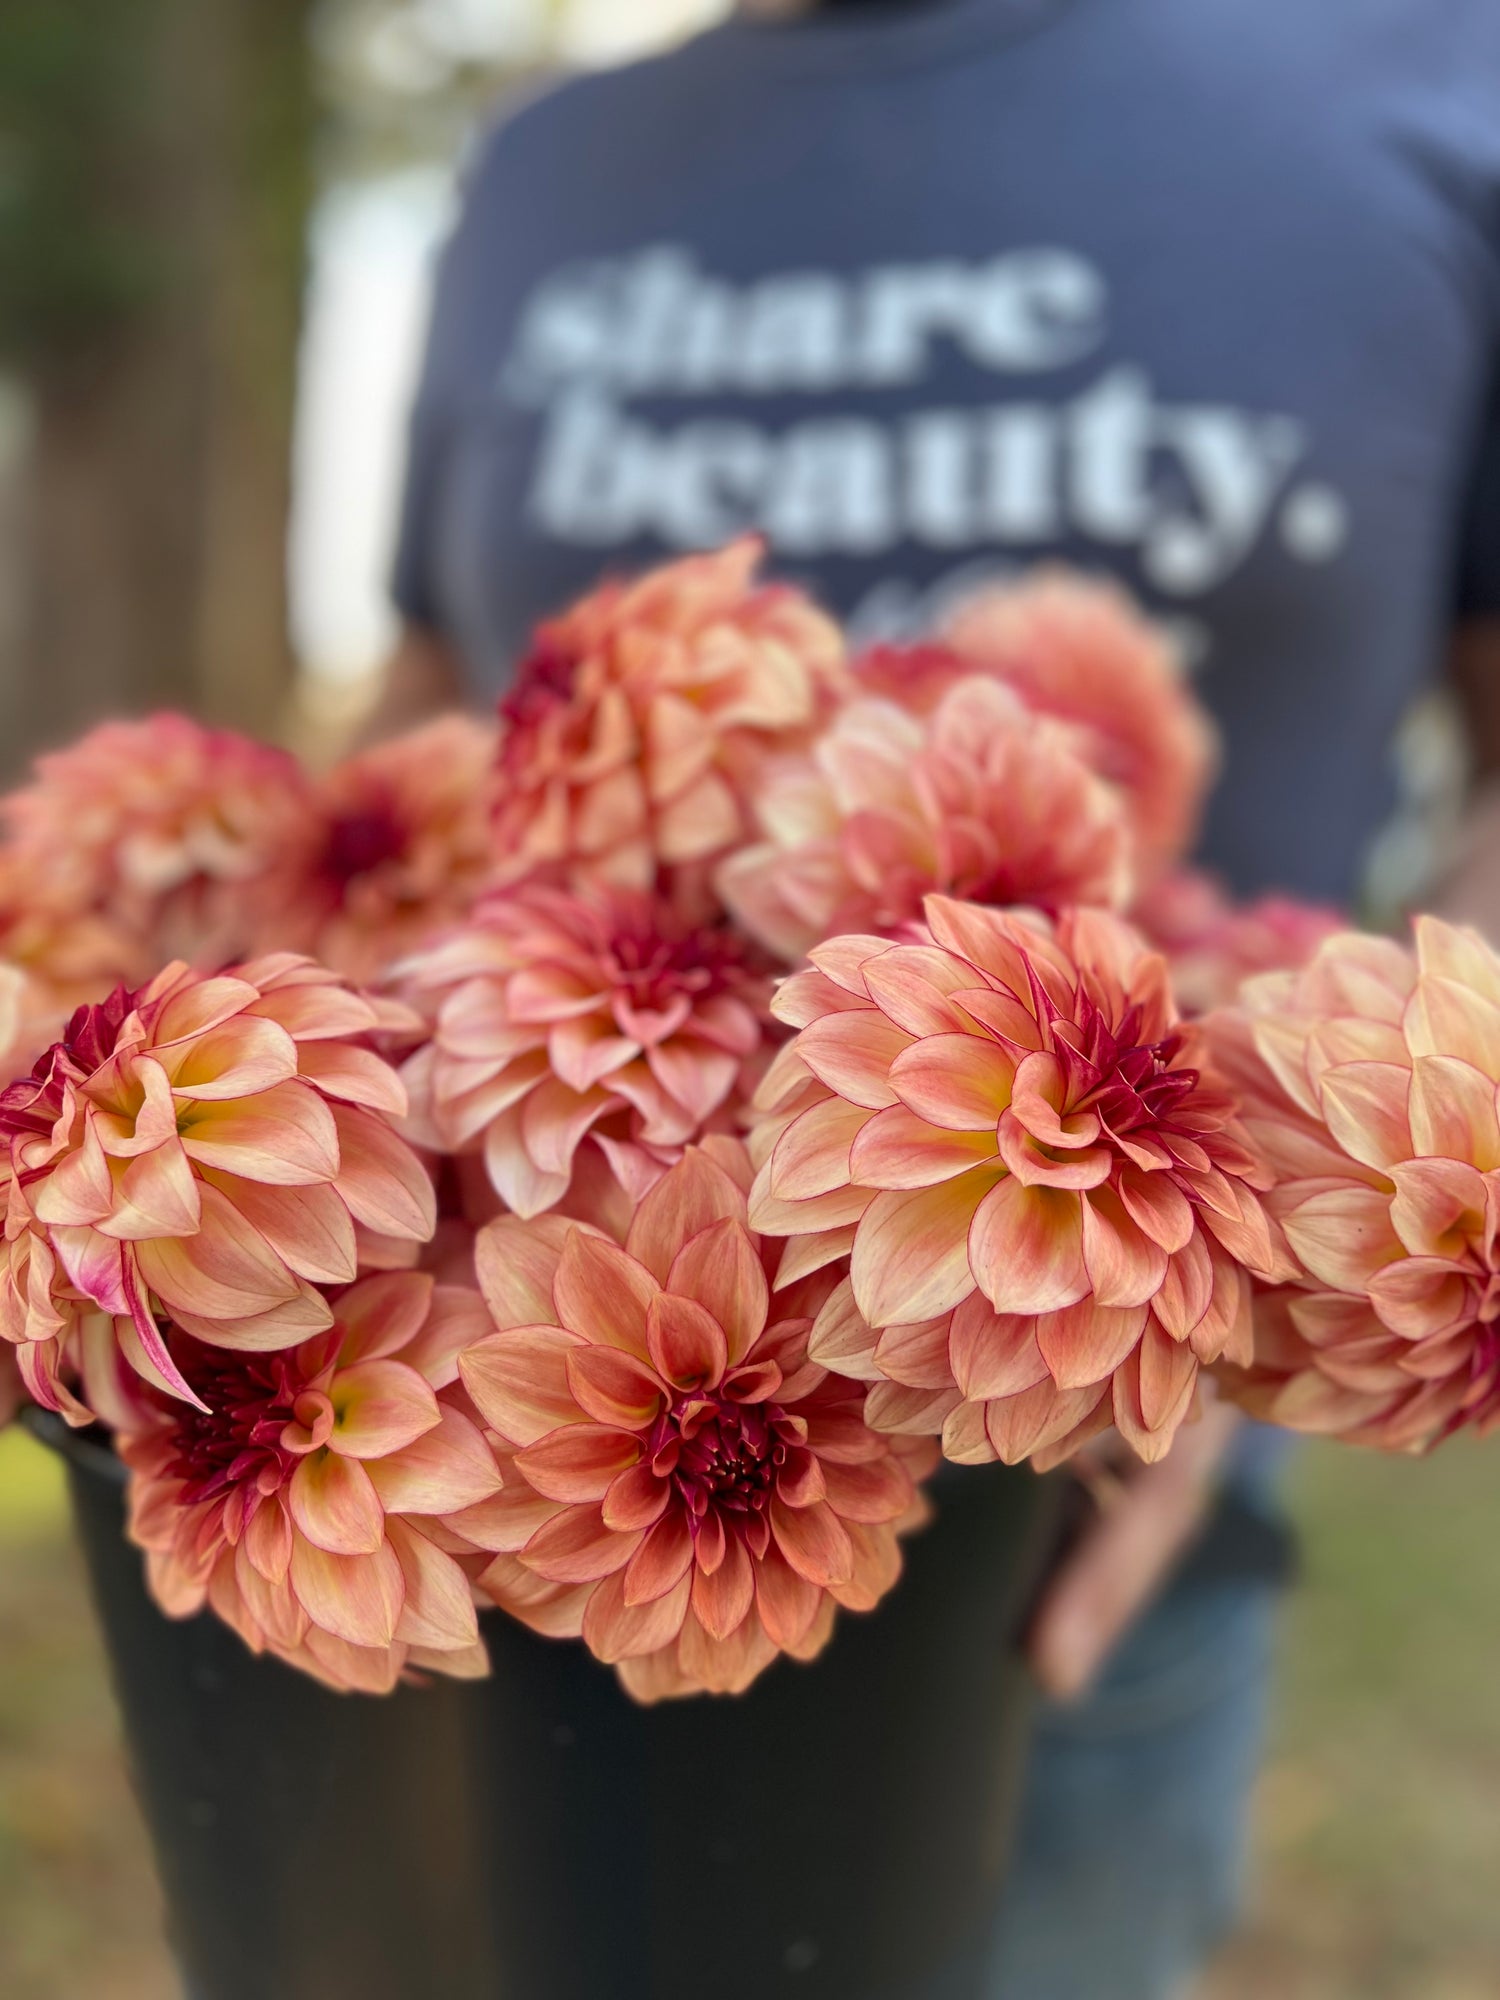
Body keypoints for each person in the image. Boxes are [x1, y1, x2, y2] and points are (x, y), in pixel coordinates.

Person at [385, 2, 1500, 1991]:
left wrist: (1369, 1159)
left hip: (1077, 1529)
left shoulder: (1436, 75)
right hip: (508, 1528)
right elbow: (423, 750)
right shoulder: (542, 167)